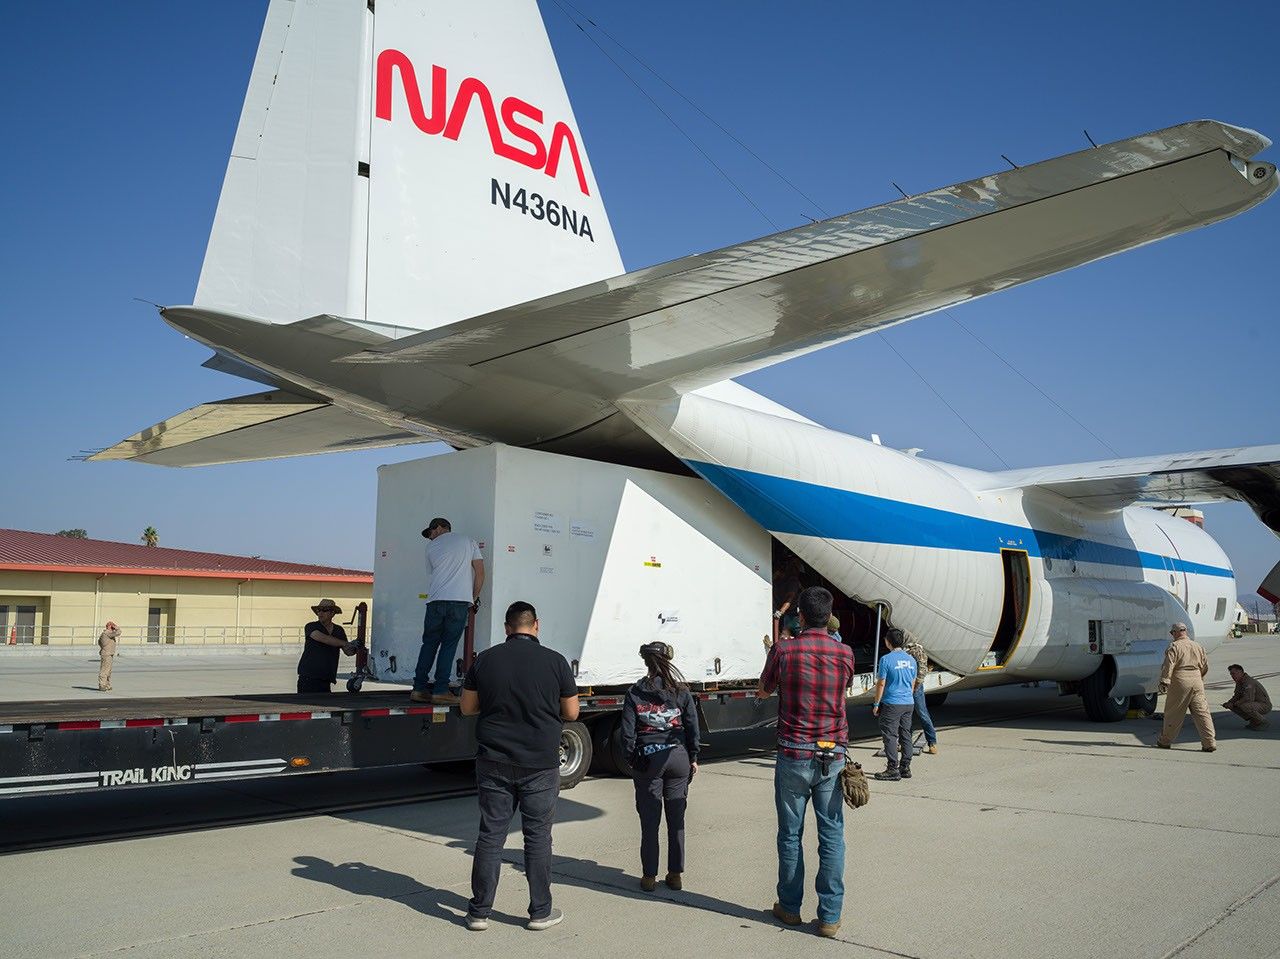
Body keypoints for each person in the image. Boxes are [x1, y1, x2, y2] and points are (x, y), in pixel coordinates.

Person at [460, 601, 578, 932]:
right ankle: (540, 912)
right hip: (540, 764)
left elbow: (468, 708)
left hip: (494, 760)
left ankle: (479, 912)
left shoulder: (485, 659)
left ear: (506, 627)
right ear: (535, 625)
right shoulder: (555, 661)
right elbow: (571, 713)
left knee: (491, 835)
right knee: (538, 837)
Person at [757, 586, 855, 939]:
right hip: (832, 754)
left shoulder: (784, 650)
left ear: (800, 614)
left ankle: (790, 907)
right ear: (828, 616)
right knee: (831, 835)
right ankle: (829, 916)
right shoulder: (844, 654)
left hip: (794, 752)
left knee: (790, 834)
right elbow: (840, 691)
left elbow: (764, 689)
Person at [621, 642, 699, 892]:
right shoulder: (681, 692)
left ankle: (649, 878)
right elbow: (692, 728)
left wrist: (633, 759)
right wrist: (693, 756)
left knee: (650, 821)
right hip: (678, 757)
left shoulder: (634, 693)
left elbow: (627, 734)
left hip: (648, 760)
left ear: (646, 662)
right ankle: (675, 875)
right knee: (676, 819)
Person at [413, 517, 485, 705]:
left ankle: (419, 689)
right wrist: (473, 598)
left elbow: (434, 573)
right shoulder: (468, 542)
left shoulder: (431, 548)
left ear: (439, 528)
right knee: (448, 645)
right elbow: (480, 572)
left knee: (428, 644)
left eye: (431, 533)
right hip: (459, 602)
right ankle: (440, 690)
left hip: (435, 601)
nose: (430, 538)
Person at [1156, 623, 1216, 751]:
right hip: (1196, 680)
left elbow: (1169, 665)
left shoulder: (1174, 646)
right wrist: (1199, 678)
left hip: (1180, 680)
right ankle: (1209, 742)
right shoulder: (1198, 646)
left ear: (1176, 632)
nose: (1172, 635)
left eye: (1172, 633)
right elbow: (1205, 666)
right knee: (1202, 713)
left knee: (1173, 713)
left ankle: (1165, 741)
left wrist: (1164, 681)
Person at [873, 628, 919, 780]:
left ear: (888, 642)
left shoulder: (886, 659)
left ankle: (893, 768)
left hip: (892, 703)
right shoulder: (911, 660)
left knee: (890, 735)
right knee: (905, 734)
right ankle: (906, 767)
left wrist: (876, 704)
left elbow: (881, 684)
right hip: (908, 702)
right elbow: (913, 683)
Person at [297, 599, 357, 694]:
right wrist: (345, 643)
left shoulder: (338, 630)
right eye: (318, 610)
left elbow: (348, 652)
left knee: (324, 707)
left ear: (332, 613)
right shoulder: (311, 626)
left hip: (326, 679)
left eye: (324, 610)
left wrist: (355, 646)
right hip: (308, 677)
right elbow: (323, 638)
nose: (320, 613)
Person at [904, 633, 938, 755]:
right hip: (905, 686)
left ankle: (932, 742)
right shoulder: (903, 651)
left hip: (914, 687)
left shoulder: (917, 650)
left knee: (922, 713)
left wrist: (916, 686)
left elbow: (922, 670)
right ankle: (904, 743)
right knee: (905, 716)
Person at [1222, 664, 1272, 730]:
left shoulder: (1248, 682)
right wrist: (1229, 703)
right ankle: (1255, 721)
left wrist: (1235, 703)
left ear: (1241, 672)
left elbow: (1248, 698)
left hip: (1264, 705)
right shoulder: (1239, 682)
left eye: (1234, 673)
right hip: (1255, 703)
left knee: (1244, 705)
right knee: (1233, 705)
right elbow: (1236, 696)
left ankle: (1263, 722)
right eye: (1231, 674)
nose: (1232, 676)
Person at [97, 620, 120, 692]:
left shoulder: (106, 634)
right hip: (107, 654)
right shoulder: (107, 633)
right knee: (104, 670)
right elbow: (119, 632)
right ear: (109, 627)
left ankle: (107, 685)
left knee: (108, 671)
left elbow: (99, 642)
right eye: (111, 626)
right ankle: (102, 685)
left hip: (108, 653)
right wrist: (116, 627)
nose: (113, 627)